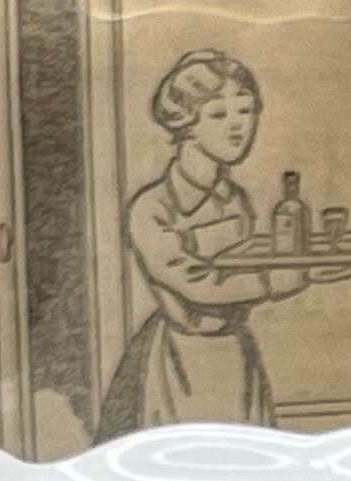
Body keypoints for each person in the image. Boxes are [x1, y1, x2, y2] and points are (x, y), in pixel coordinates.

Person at [99, 50, 315, 432]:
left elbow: (243, 265)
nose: (238, 125)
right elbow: (194, 283)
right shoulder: (151, 207)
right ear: (185, 124)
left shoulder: (236, 199)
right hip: (180, 363)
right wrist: (271, 282)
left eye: (246, 110)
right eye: (218, 114)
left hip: (237, 355)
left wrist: (306, 267)